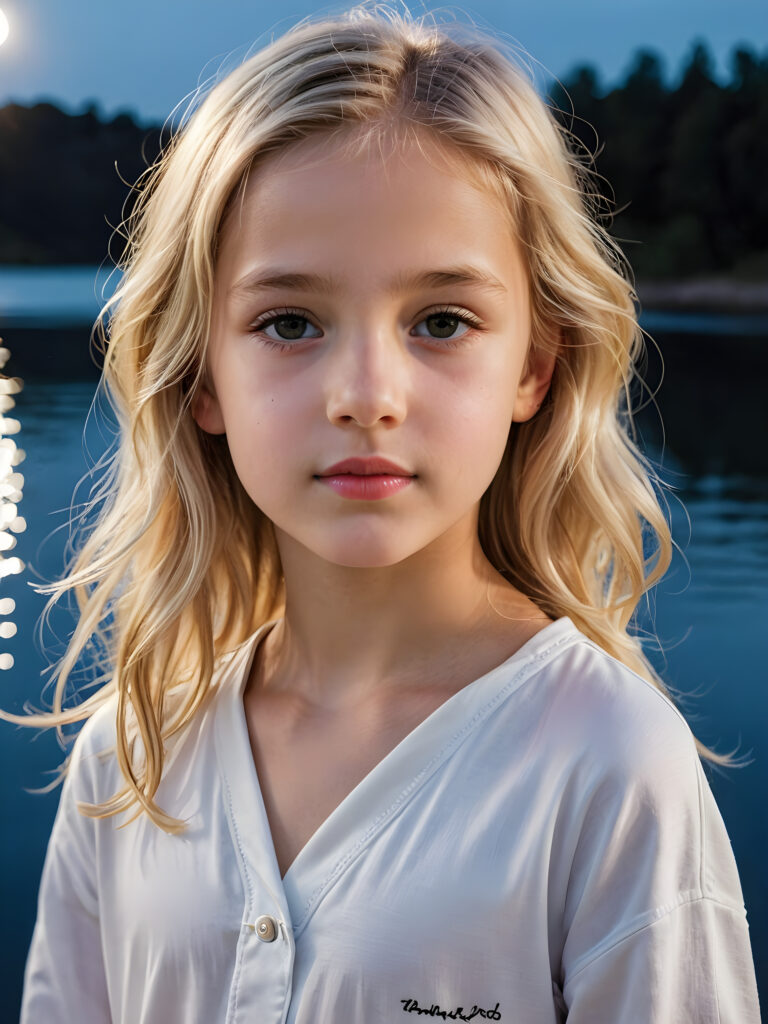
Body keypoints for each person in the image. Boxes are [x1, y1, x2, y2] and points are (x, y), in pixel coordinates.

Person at [8, 3, 760, 1021]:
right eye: (289, 322)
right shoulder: (132, 754)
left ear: (533, 368)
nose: (366, 392)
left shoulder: (609, 768)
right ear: (202, 380)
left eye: (441, 321)